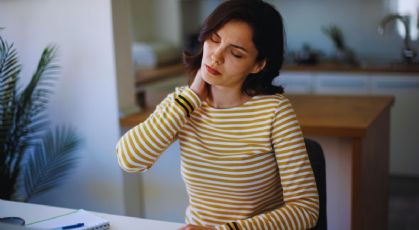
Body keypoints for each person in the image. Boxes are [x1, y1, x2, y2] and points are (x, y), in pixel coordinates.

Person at [116, 0, 319, 229]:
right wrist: (190, 98)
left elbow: (305, 209)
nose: (216, 57)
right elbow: (129, 160)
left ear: (258, 65)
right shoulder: (183, 104)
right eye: (214, 40)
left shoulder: (274, 112)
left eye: (236, 53)